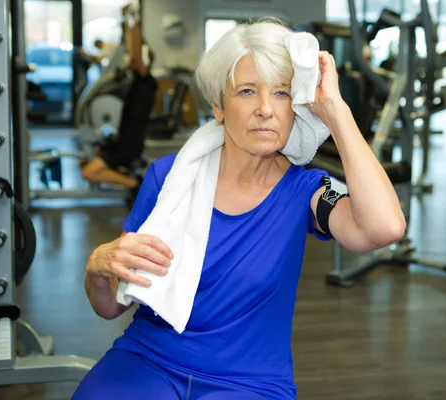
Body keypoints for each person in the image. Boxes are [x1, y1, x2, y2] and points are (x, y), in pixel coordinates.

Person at [74, 19, 405, 400]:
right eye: (247, 91)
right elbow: (109, 308)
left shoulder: (308, 193)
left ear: (296, 107)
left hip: (248, 382)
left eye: (281, 94)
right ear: (218, 105)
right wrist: (97, 269)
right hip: (150, 359)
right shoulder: (169, 179)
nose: (265, 109)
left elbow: (385, 228)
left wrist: (336, 112)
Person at [80, 4, 157, 196]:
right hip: (124, 142)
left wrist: (133, 20)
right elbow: (132, 51)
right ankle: (131, 182)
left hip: (127, 147)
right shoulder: (138, 80)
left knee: (88, 172)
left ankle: (133, 184)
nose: (129, 59)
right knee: (85, 163)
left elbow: (136, 52)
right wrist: (126, 25)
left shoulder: (146, 81)